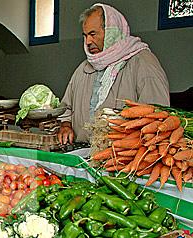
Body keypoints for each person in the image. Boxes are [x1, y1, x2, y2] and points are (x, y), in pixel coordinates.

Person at [57, 4, 170, 144]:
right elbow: (65, 109)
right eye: (85, 36)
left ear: (112, 32)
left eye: (93, 34)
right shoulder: (83, 68)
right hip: (82, 153)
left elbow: (157, 117)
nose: (88, 42)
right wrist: (65, 126)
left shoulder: (143, 63)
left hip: (124, 158)